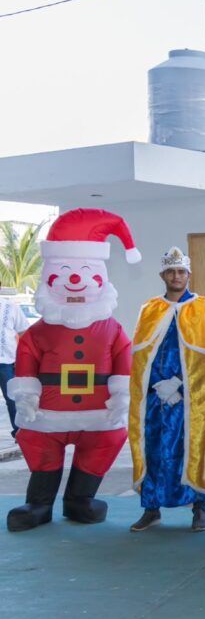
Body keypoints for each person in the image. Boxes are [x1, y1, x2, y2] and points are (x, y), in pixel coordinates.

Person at [7, 209, 138, 532]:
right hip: (49, 413)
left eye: (83, 271)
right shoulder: (38, 332)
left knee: (107, 438)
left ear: (101, 278)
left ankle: (80, 499)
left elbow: (124, 358)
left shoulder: (112, 329)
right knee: (39, 443)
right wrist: (25, 396)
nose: (75, 280)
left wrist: (122, 393)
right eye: (64, 271)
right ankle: (39, 504)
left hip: (98, 414)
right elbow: (25, 363)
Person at [128, 247, 205, 533]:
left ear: (189, 275)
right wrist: (158, 385)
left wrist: (179, 384)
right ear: (163, 275)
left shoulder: (204, 306)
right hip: (155, 395)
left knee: (191, 447)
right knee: (153, 446)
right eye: (171, 271)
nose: (176, 276)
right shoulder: (149, 308)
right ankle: (151, 507)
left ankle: (199, 508)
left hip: (191, 396)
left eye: (181, 271)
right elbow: (142, 354)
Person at [0, 282, 31, 438]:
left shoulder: (10, 307)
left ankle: (19, 432)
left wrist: (22, 356)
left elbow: (24, 331)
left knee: (12, 398)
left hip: (6, 362)